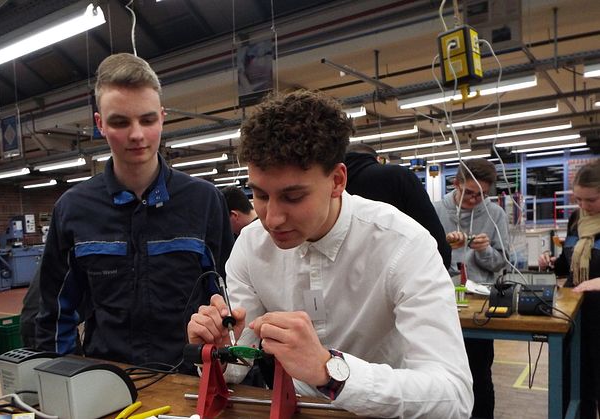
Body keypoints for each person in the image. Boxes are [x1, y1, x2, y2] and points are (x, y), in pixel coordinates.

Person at [187, 90, 472, 417]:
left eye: (293, 197)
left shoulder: (403, 244)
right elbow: (239, 365)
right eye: (260, 195)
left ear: (337, 180)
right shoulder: (251, 247)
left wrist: (330, 373)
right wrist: (216, 350)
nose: (272, 218)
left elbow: (453, 397)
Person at [35, 53, 233, 368]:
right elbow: (55, 314)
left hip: (192, 380)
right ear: (100, 124)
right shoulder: (73, 209)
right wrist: (67, 379)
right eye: (120, 122)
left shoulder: (205, 202)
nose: (137, 134)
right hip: (108, 381)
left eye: (147, 119)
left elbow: (227, 299)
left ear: (163, 117)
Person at [434, 158, 509, 419]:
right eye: (471, 193)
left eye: (483, 195)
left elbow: (502, 262)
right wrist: (445, 247)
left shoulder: (495, 214)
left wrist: (485, 250)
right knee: (441, 373)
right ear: (455, 184)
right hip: (440, 306)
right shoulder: (435, 211)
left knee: (479, 374)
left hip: (479, 308)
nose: (477, 200)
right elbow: (421, 259)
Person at [538, 159, 600, 418]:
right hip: (578, 317)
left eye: (591, 200)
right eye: (578, 200)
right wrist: (551, 262)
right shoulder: (577, 219)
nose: (583, 207)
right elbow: (567, 266)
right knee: (576, 388)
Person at [345, 143, 451, 268]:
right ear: (378, 160)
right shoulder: (399, 176)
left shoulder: (332, 184)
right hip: (401, 273)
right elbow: (433, 235)